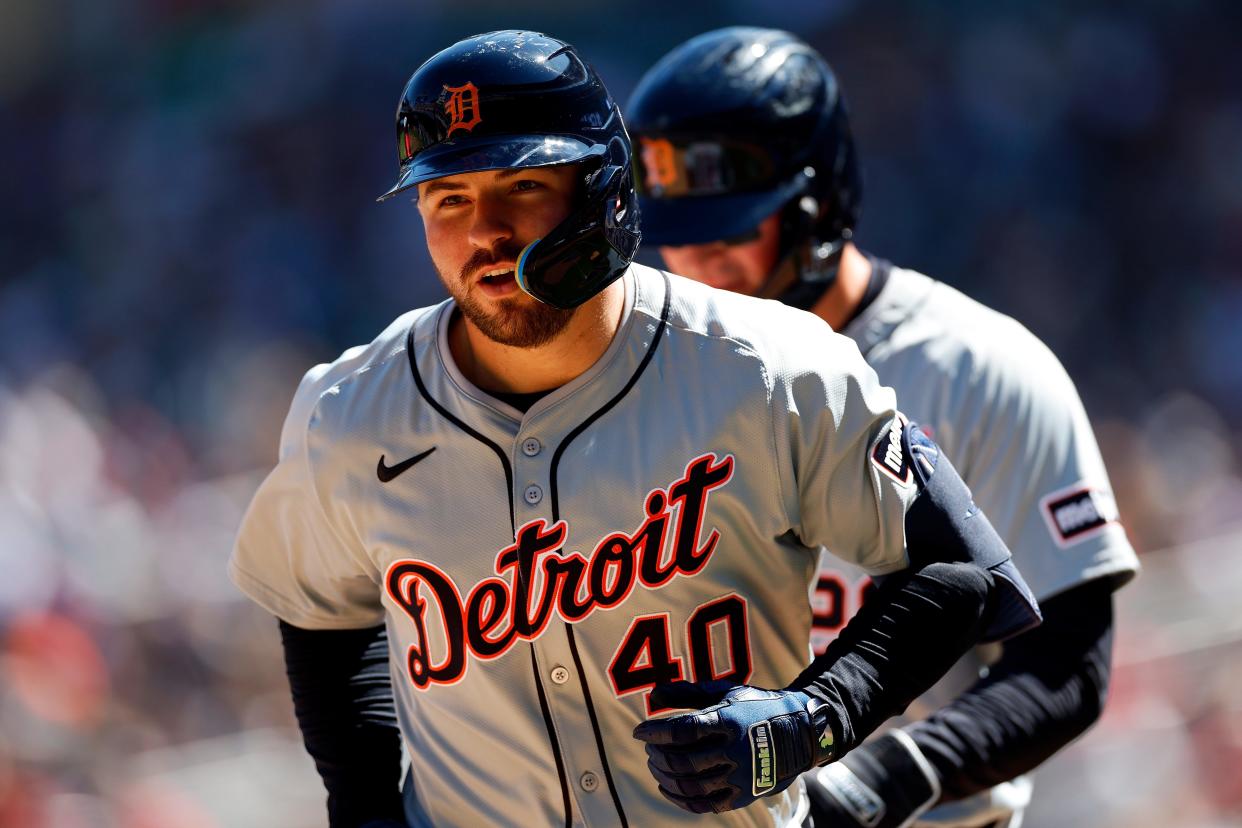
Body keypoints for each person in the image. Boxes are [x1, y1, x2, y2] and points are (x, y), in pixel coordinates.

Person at [229, 30, 1040, 828]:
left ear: (603, 192)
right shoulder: (348, 412)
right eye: (449, 199)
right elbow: (321, 614)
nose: (485, 232)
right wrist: (364, 809)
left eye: (520, 187)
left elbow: (959, 570)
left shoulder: (766, 368)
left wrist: (814, 717)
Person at [626, 27, 1139, 828]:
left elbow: (1066, 665)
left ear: (816, 208)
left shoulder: (978, 367)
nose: (696, 267)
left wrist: (889, 774)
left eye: (728, 235)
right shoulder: (643, 381)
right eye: (677, 242)